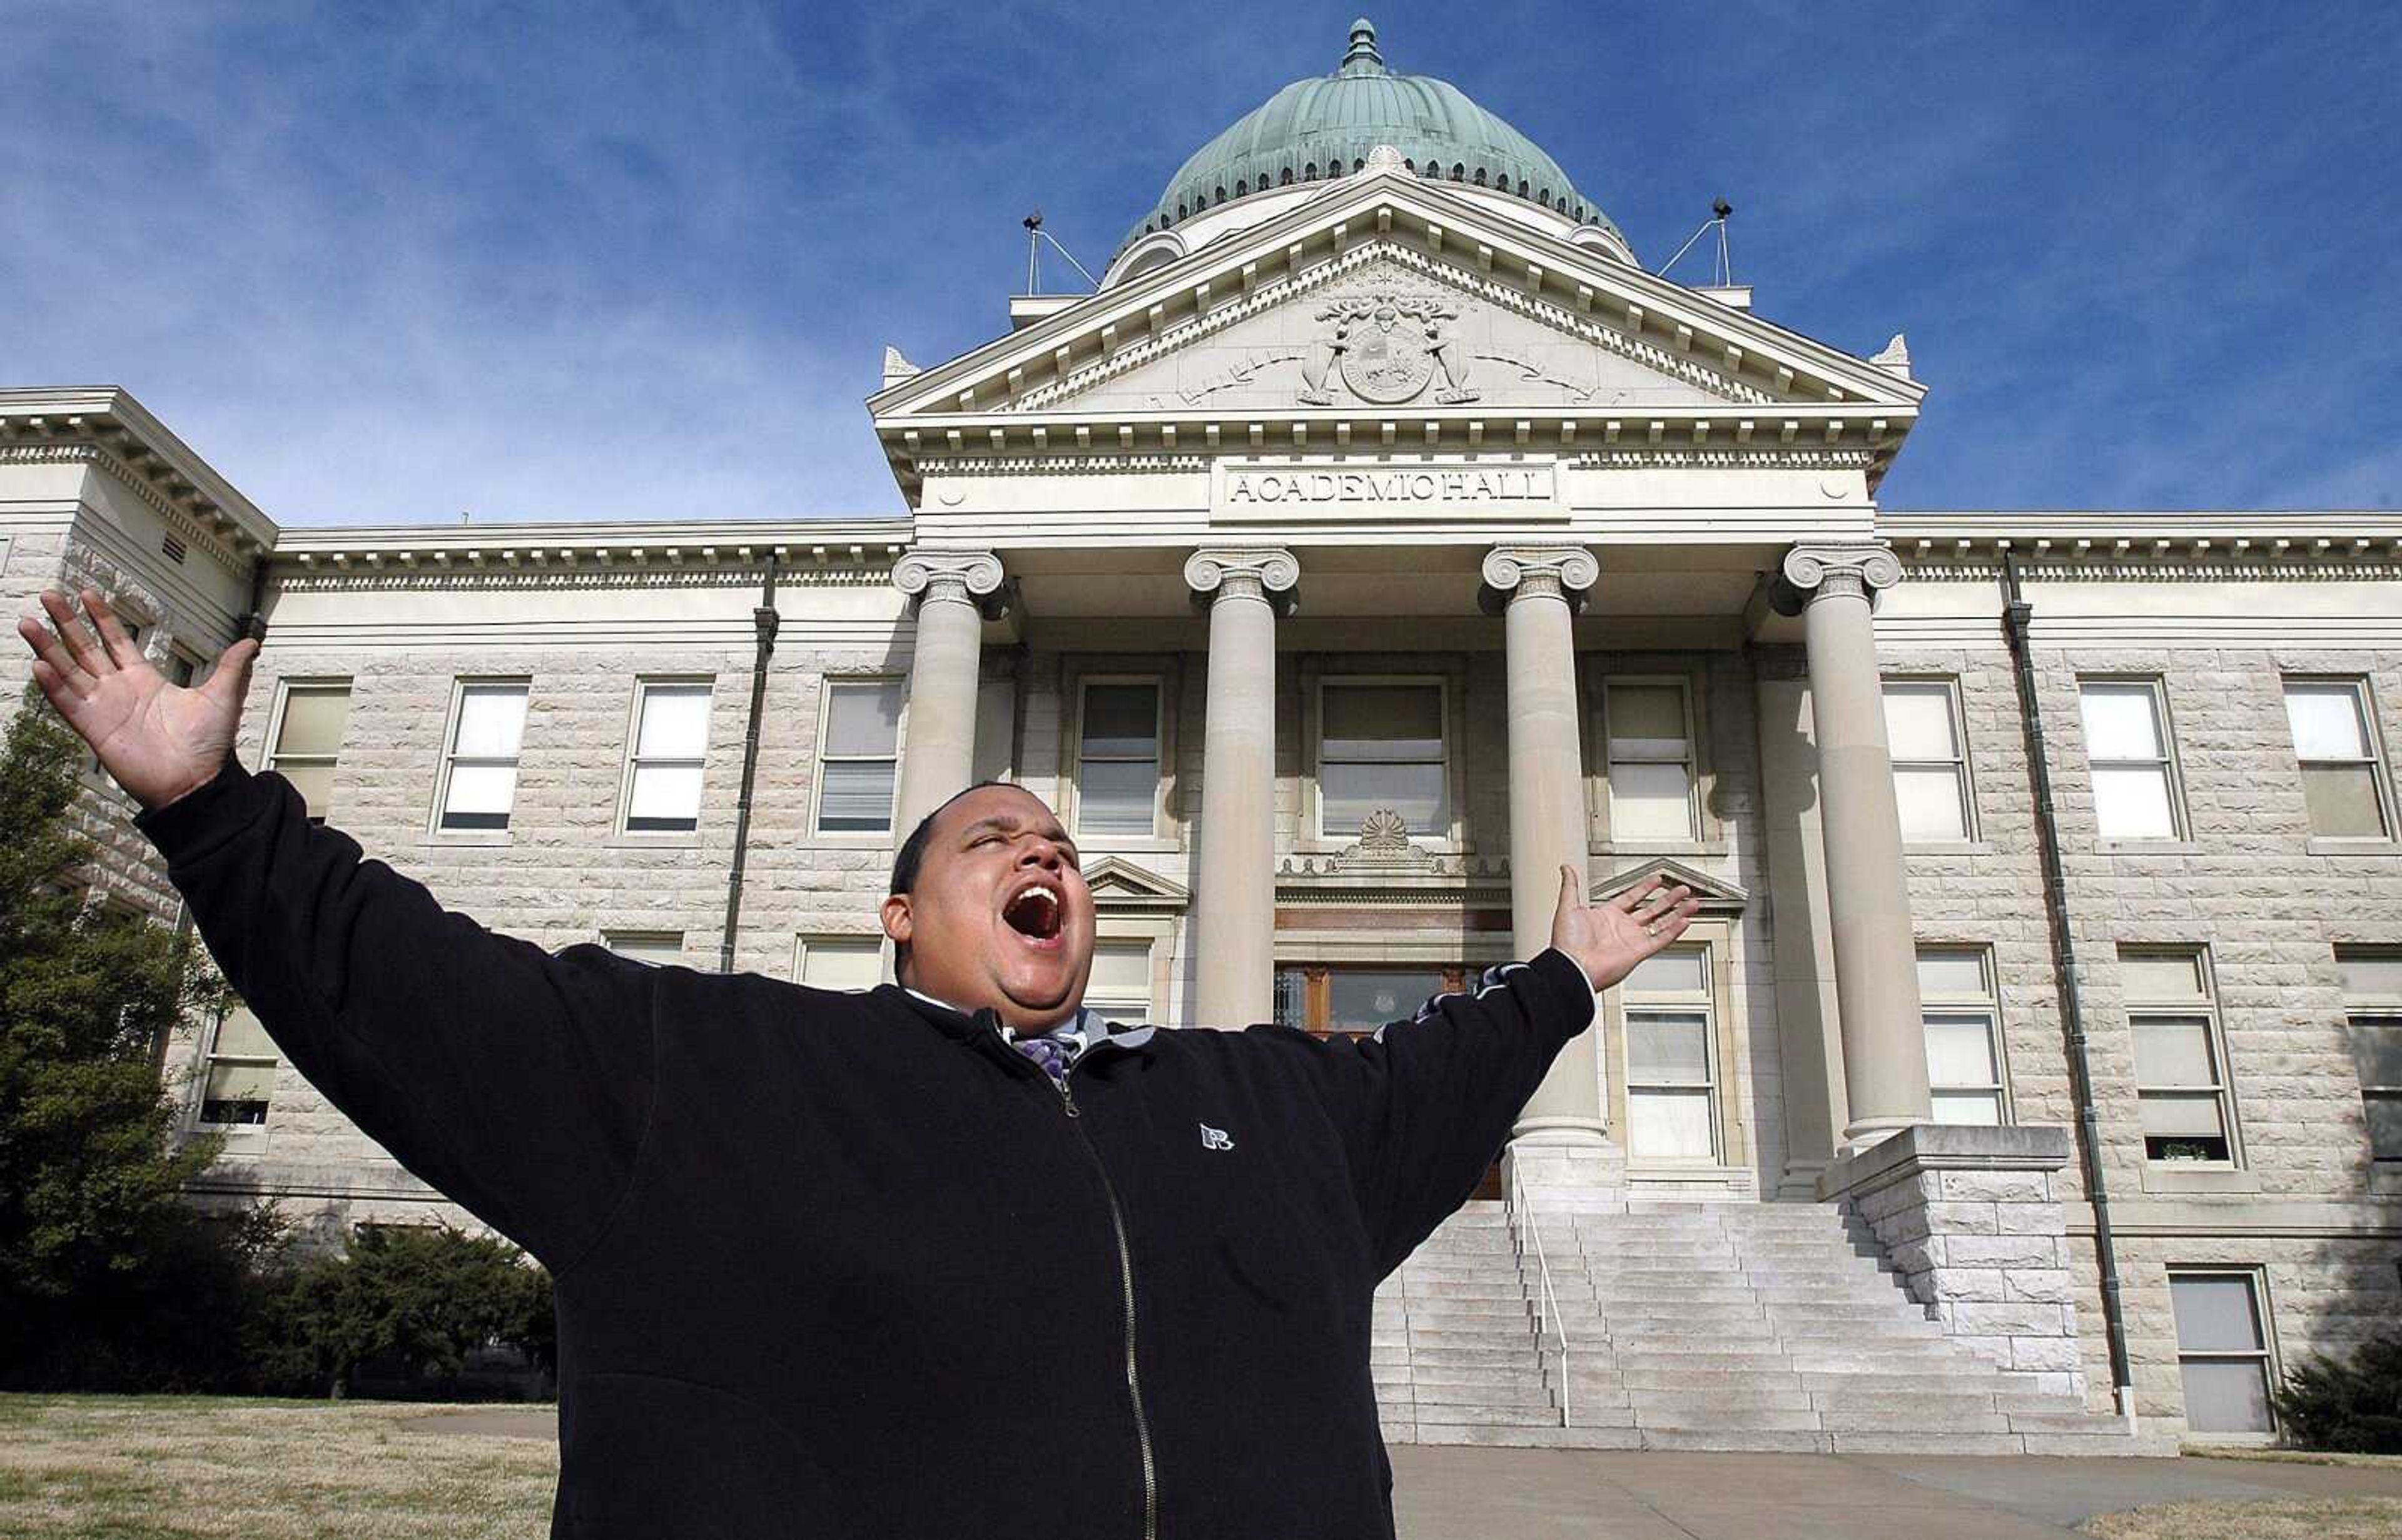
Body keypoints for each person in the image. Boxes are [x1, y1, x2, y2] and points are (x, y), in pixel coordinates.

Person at [17, 587, 1698, 1540]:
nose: (1047, 850)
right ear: (899, 915)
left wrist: (1563, 980)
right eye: (992, 836)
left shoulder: (1244, 1104)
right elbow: (429, 999)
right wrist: (212, 813)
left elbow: (1426, 1083)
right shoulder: (729, 1076)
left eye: (1062, 841)